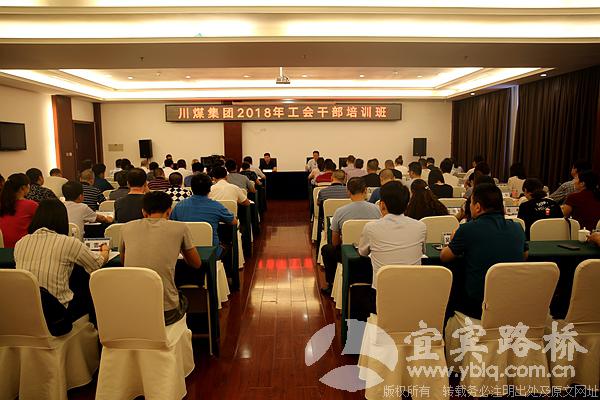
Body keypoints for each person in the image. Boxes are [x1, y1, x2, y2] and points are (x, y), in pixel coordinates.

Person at [441, 183, 528, 319]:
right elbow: (524, 255)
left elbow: (444, 256)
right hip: (511, 301)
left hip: (478, 305)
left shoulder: (467, 229)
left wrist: (454, 239)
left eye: (471, 203)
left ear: (477, 207)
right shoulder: (517, 228)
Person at [14, 199, 108, 322]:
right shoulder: (68, 242)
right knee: (84, 280)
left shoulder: (21, 243)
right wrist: (105, 251)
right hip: (57, 315)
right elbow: (96, 264)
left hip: (24, 312)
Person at [120, 191, 201, 325]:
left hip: (132, 310)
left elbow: (124, 263)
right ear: (169, 211)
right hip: (166, 312)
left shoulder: (126, 227)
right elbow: (196, 263)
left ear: (144, 212)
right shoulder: (180, 228)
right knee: (184, 298)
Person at [359, 181, 426, 294]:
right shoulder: (421, 226)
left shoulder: (371, 227)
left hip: (382, 291)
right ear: (407, 204)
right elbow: (423, 252)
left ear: (382, 205)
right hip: (414, 290)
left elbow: (362, 252)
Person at [320, 177, 381, 295]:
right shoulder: (377, 209)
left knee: (327, 249)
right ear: (365, 190)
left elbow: (335, 242)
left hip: (347, 256)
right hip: (372, 254)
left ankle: (331, 285)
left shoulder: (340, 211)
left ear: (348, 192)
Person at [170, 173, 237, 256]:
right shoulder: (217, 206)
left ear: (191, 188)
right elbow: (234, 222)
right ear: (210, 188)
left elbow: (171, 225)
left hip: (184, 253)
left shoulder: (179, 206)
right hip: (211, 253)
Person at [0, 173, 38, 248]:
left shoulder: (2, 203)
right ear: (23, 188)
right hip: (22, 247)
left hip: (3, 247)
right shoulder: (31, 205)